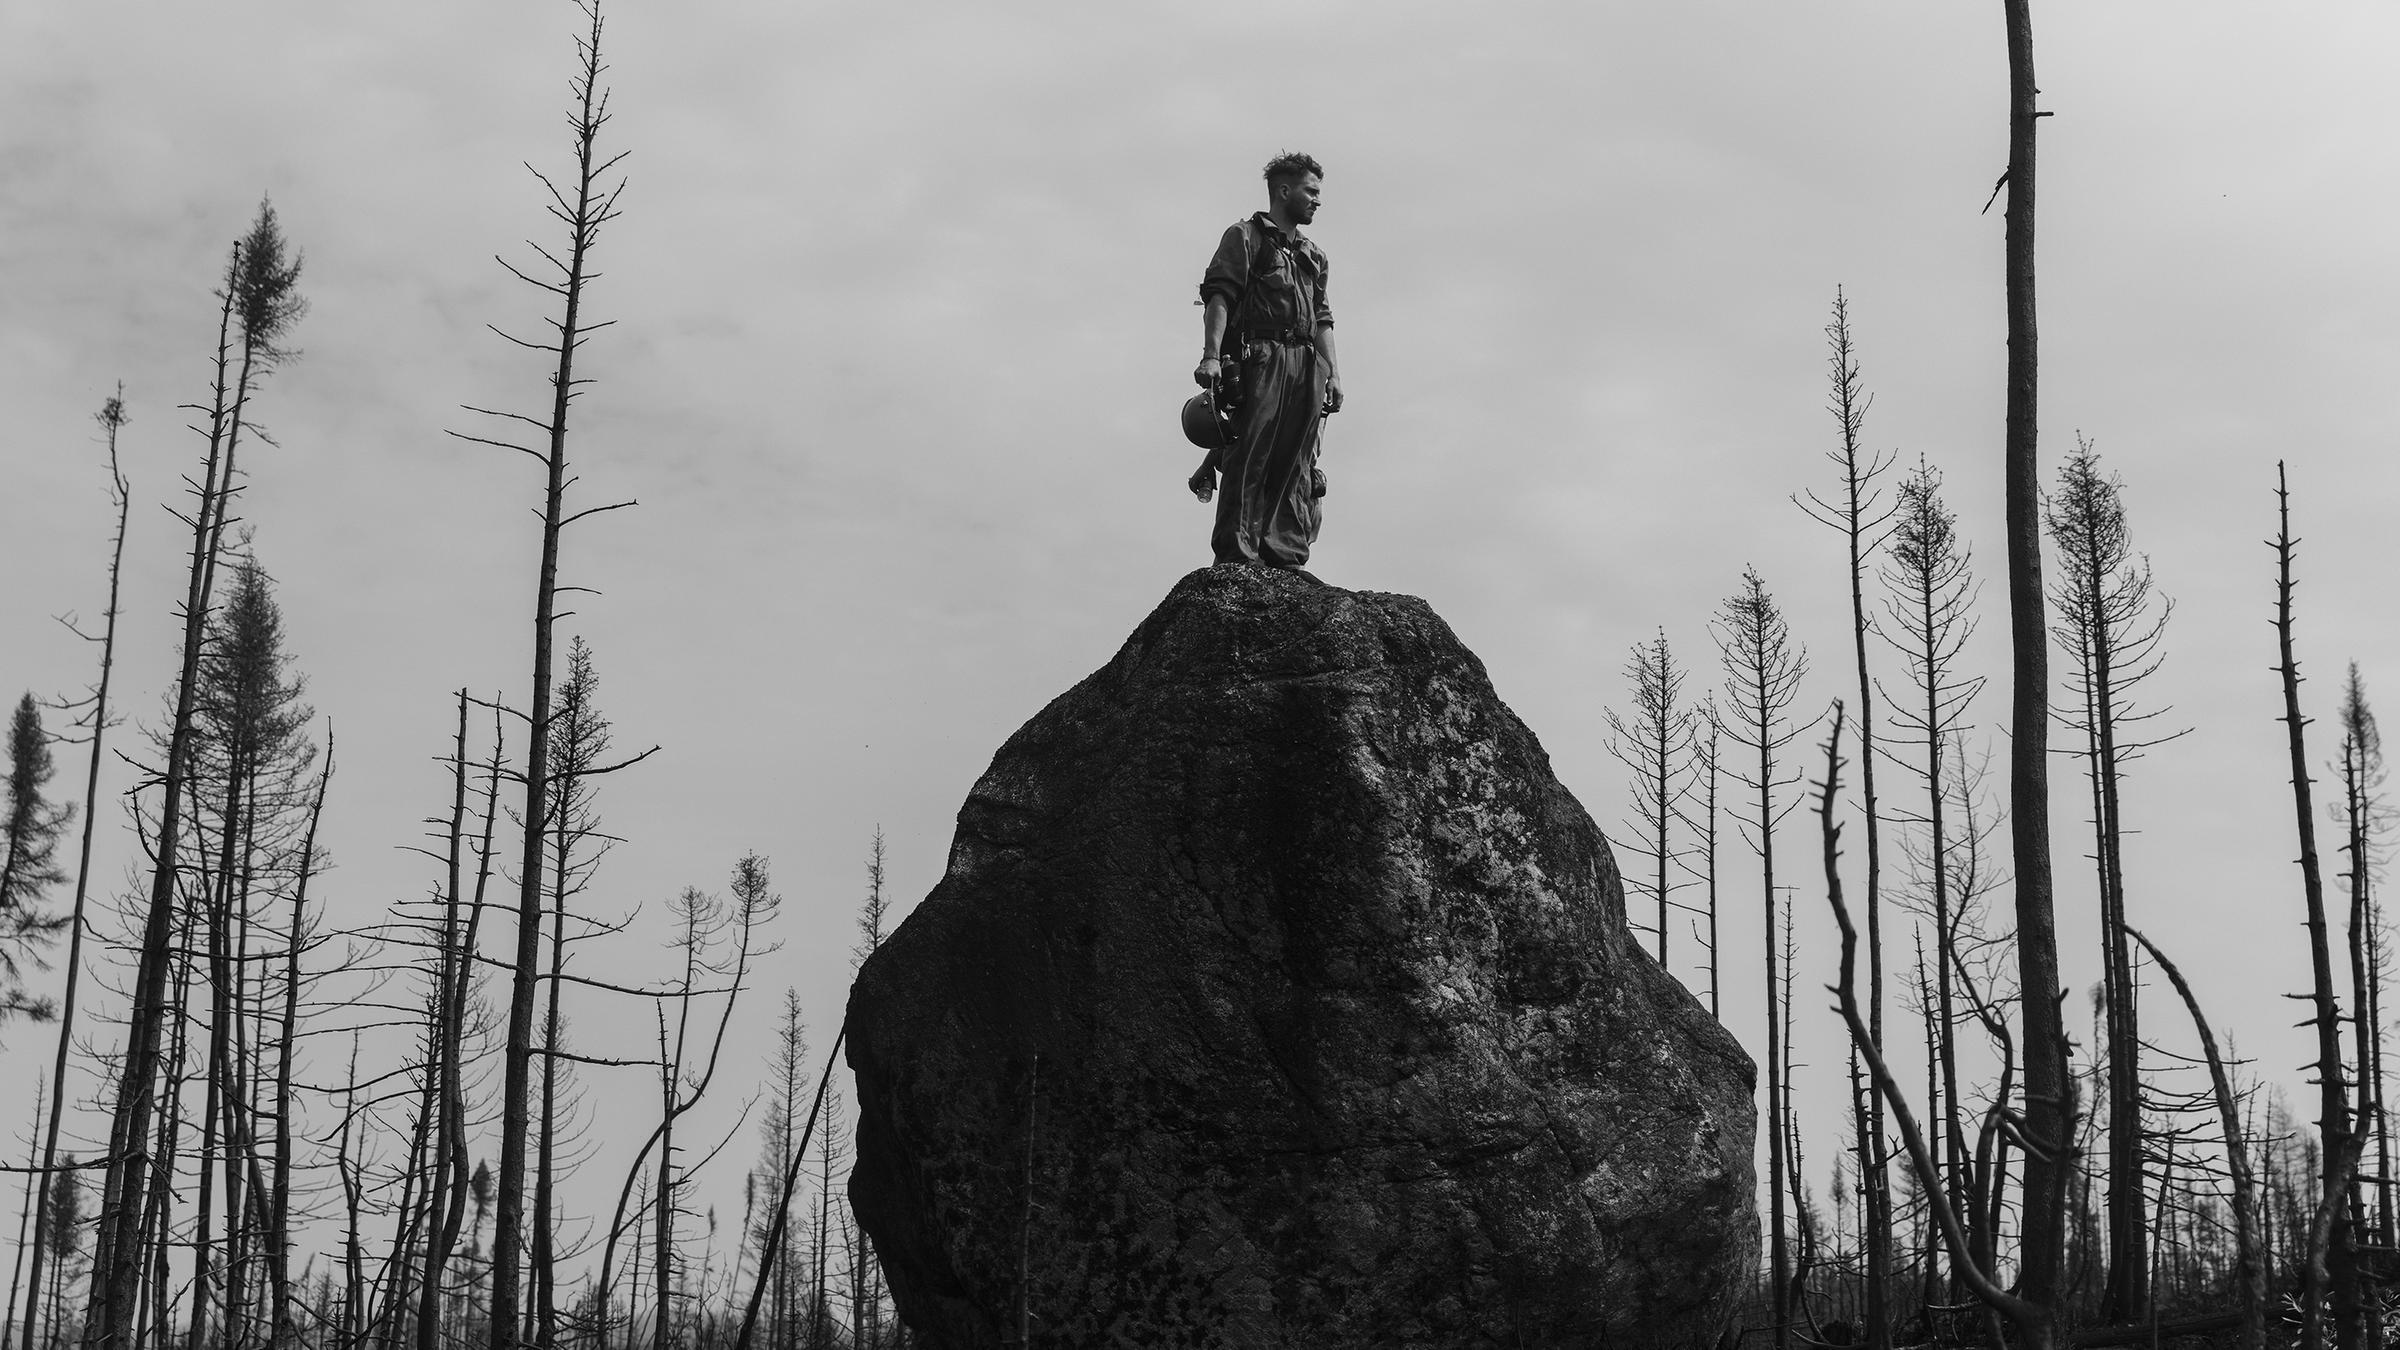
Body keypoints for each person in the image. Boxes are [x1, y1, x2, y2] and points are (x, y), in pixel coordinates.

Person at [1190, 151, 1344, 569]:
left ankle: (1285, 556)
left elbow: (1323, 320)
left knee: (1298, 461)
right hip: (1261, 357)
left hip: (1307, 363)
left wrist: (1332, 374)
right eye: (1310, 191)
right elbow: (1220, 296)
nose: (1317, 200)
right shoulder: (1244, 237)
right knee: (1251, 452)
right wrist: (1211, 357)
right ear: (1283, 190)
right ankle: (1238, 556)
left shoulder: (1314, 255)